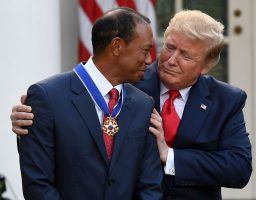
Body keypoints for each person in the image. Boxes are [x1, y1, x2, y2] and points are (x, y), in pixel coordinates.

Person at [11, 10, 252, 200]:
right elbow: (73, 99)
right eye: (169, 47)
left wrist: (170, 157)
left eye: (186, 56)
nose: (170, 60)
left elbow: (239, 168)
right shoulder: (129, 81)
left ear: (206, 65)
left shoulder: (226, 100)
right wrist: (32, 114)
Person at [14, 7, 163, 200]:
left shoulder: (143, 104)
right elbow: (38, 184)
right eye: (145, 50)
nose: (150, 60)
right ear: (117, 46)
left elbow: (150, 186)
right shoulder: (47, 97)